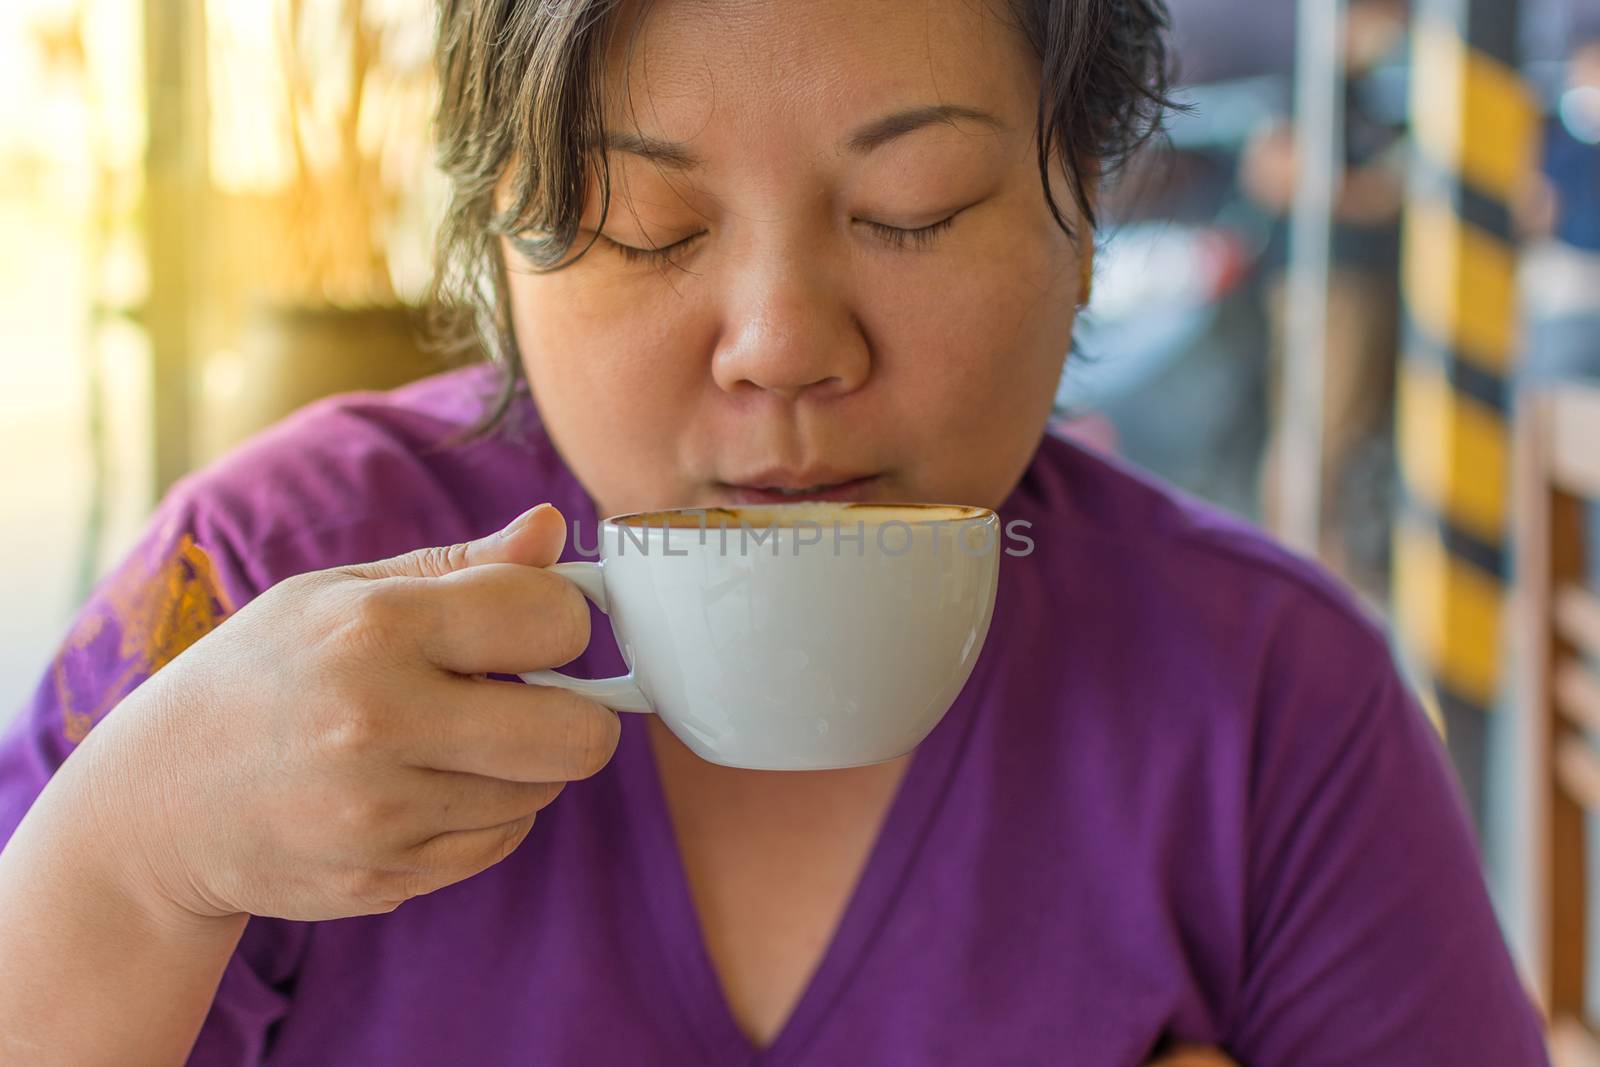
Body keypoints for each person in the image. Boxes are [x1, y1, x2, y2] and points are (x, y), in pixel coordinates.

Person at [0, 1, 1548, 1063]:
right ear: (502, 246)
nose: (783, 344)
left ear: (1085, 218)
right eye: (645, 226)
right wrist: (137, 866)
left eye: (915, 208)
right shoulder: (263, 579)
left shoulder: (1272, 705)